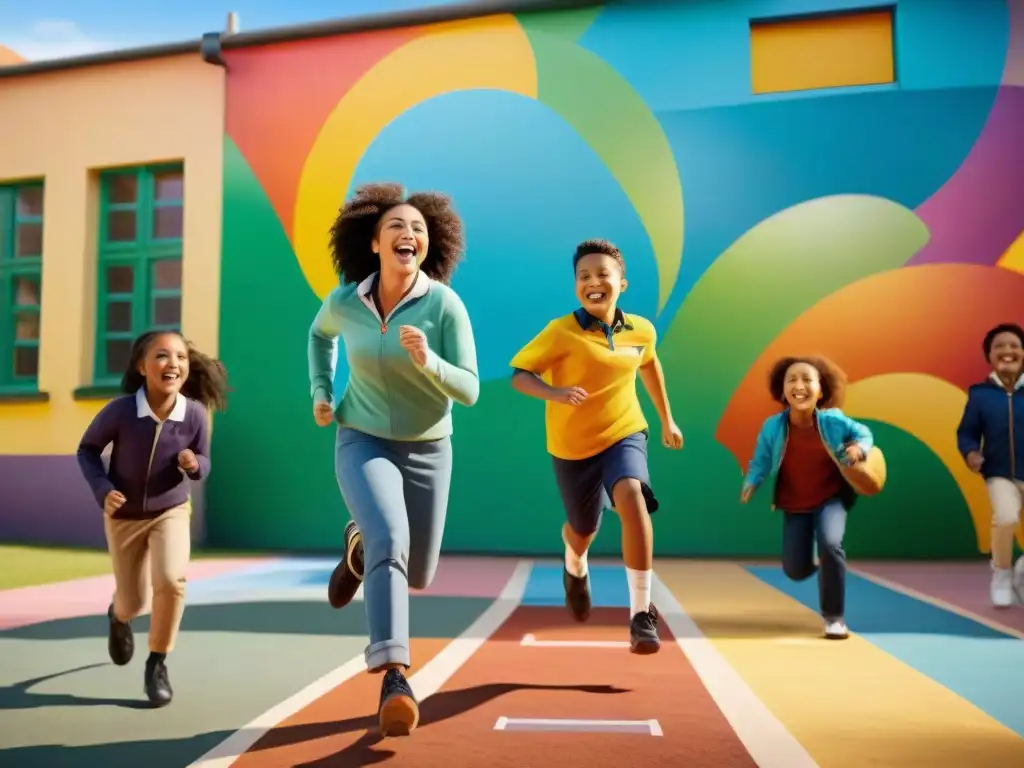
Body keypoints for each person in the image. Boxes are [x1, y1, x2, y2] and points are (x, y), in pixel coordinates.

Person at [308, 182, 479, 737]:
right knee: (391, 541)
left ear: (429, 246)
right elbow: (319, 336)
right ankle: (395, 674)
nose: (409, 235)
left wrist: (429, 360)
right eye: (397, 228)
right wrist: (322, 391)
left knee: (421, 572)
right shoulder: (345, 302)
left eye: (419, 229)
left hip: (430, 448)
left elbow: (471, 389)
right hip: (361, 438)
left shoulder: (445, 304)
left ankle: (357, 551)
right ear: (375, 244)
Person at [508, 238, 683, 655]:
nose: (593, 282)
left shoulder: (641, 330)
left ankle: (641, 613)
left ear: (621, 282)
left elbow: (649, 364)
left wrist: (666, 419)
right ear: (576, 286)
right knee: (583, 529)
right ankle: (574, 562)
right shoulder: (560, 332)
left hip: (625, 433)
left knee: (633, 497)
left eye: (603, 274)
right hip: (572, 449)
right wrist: (556, 393)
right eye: (583, 276)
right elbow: (519, 374)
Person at [76, 329, 229, 706]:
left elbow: (204, 461)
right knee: (134, 600)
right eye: (161, 356)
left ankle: (157, 662)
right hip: (124, 516)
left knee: (172, 581)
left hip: (171, 511)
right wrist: (101, 490)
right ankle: (119, 615)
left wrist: (195, 465)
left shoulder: (193, 414)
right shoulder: (121, 412)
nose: (172, 364)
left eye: (180, 357)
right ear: (141, 367)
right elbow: (87, 450)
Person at [740, 355, 872, 640]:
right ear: (782, 390)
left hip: (831, 497)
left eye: (807, 379)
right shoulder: (773, 427)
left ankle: (834, 617)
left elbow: (864, 434)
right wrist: (753, 481)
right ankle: (816, 559)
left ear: (821, 390)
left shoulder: (834, 421)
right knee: (795, 570)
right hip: (794, 502)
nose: (799, 385)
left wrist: (859, 449)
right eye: (792, 379)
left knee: (831, 542)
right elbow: (761, 459)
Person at [956, 322, 1024, 608]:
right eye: (999, 347)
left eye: (1014, 346)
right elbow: (967, 432)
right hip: (999, 474)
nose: (1007, 351)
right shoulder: (980, 394)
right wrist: (971, 451)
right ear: (990, 356)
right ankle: (1002, 573)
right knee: (1006, 517)